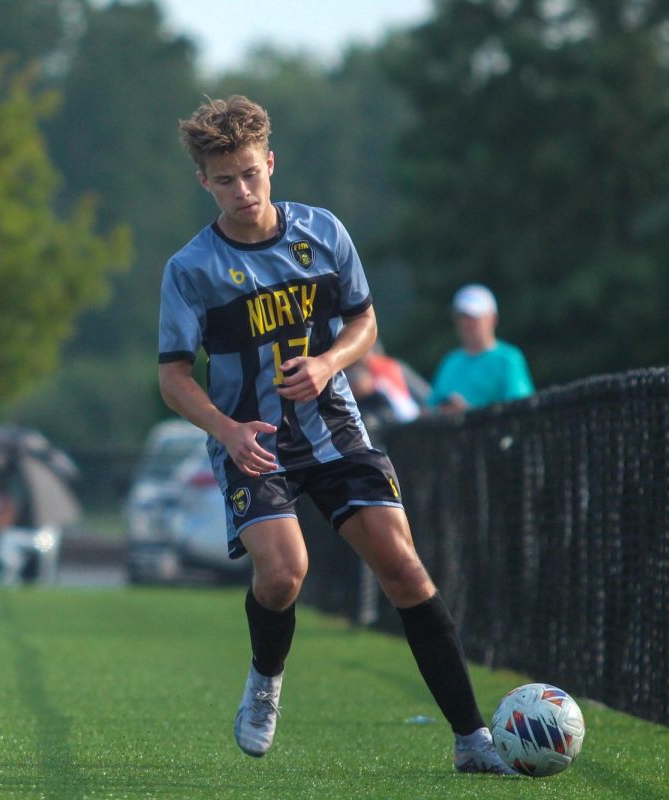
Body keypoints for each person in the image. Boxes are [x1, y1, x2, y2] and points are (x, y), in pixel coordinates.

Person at [158, 95, 514, 773]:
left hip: (335, 430)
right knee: (285, 574)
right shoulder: (191, 269)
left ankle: (472, 739)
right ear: (204, 181)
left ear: (270, 162)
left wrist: (326, 363)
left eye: (250, 173)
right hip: (254, 442)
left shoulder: (322, 233)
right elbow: (173, 376)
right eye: (224, 179)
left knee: (405, 569)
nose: (241, 189)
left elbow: (365, 325)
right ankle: (265, 681)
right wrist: (227, 430)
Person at [427, 284, 534, 415]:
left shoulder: (507, 359)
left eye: (473, 317)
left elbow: (520, 410)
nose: (466, 323)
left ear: (493, 319)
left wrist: (470, 414)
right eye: (461, 317)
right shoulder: (450, 362)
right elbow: (430, 409)